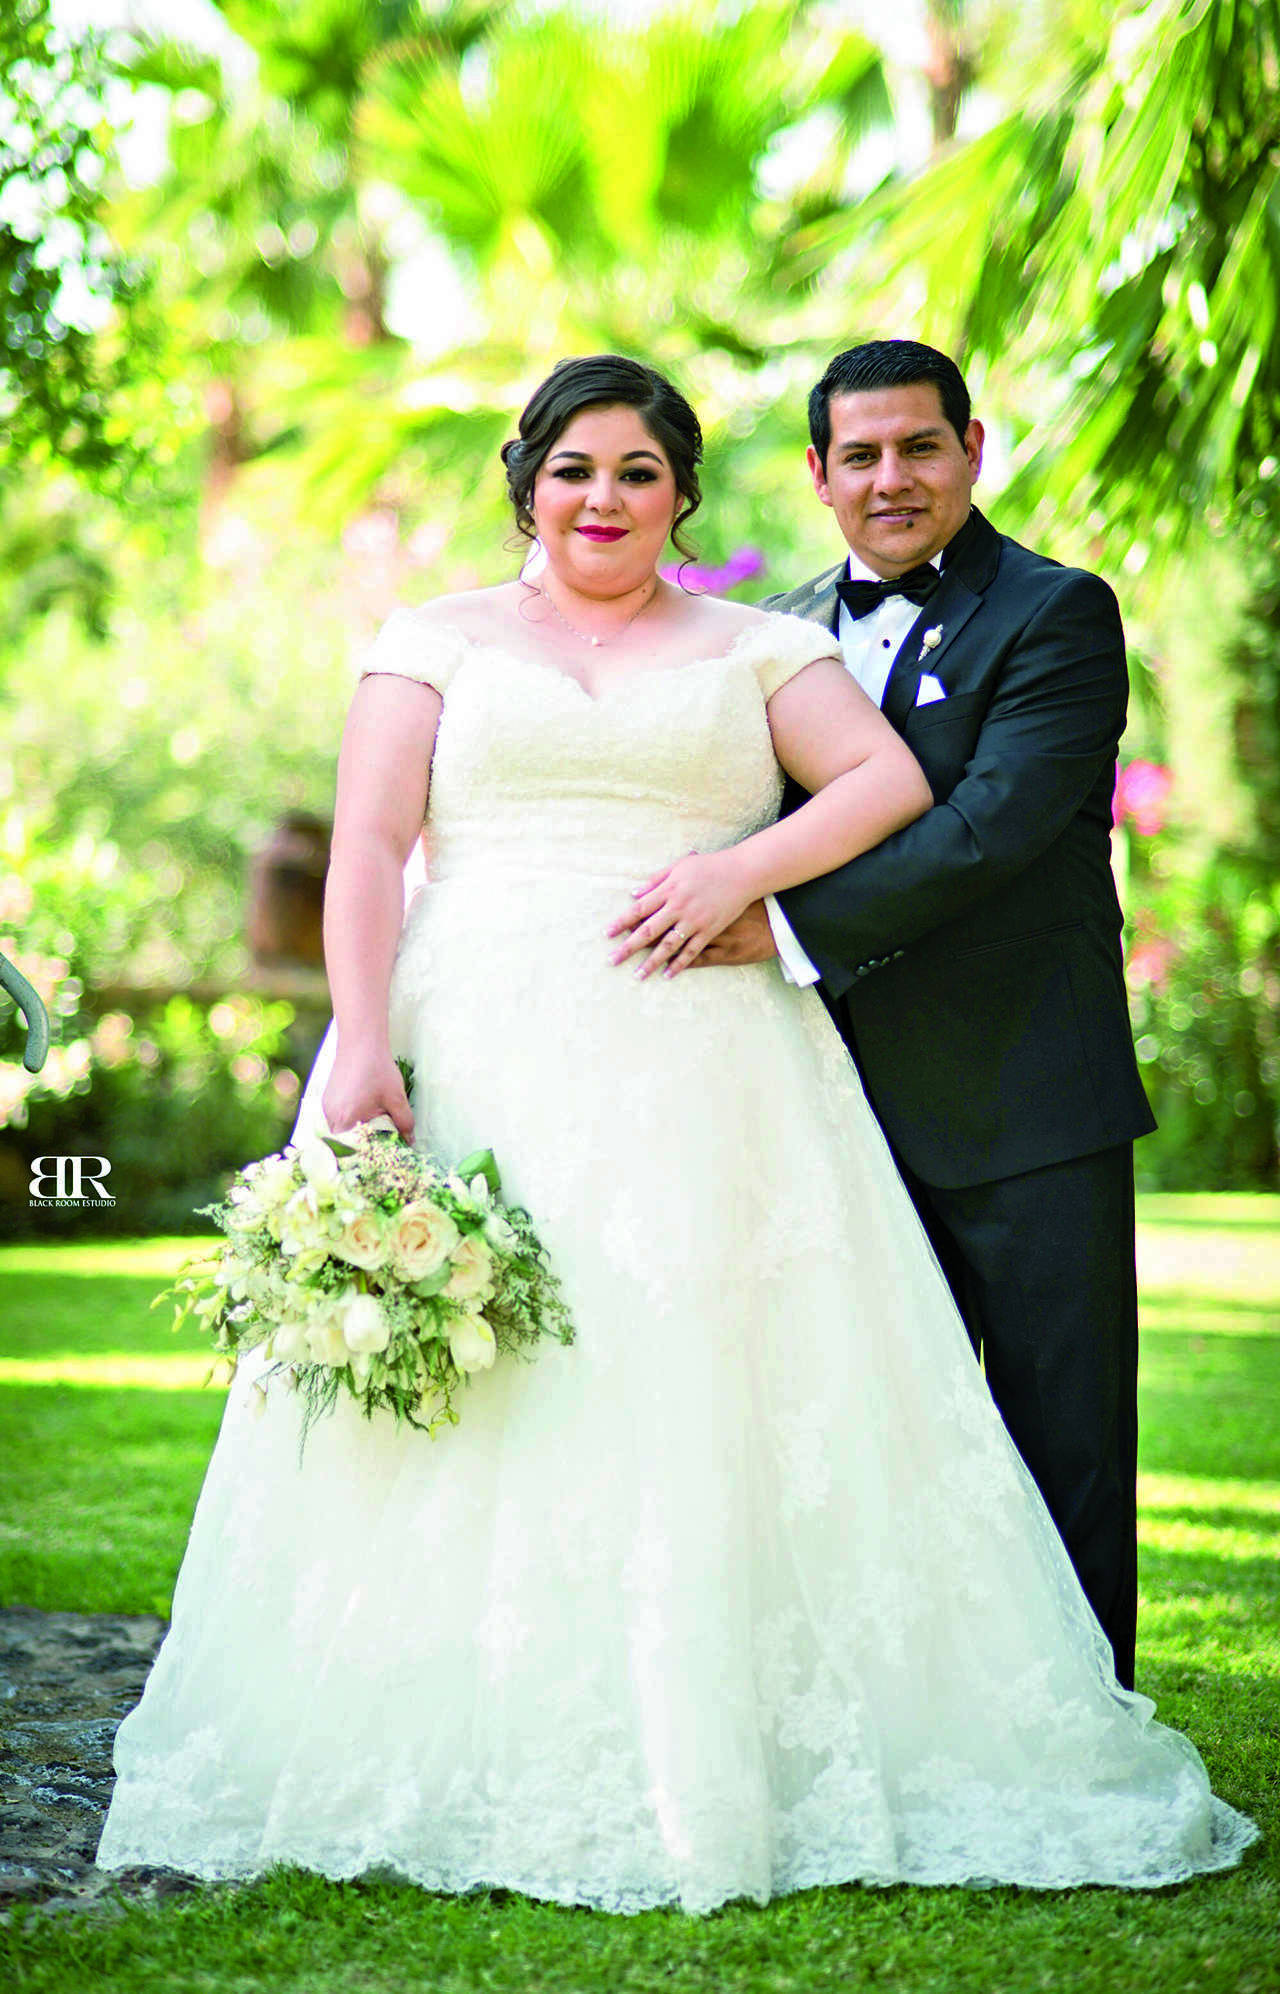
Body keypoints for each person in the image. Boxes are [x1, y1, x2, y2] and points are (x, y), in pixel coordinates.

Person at [97, 355, 1254, 1911]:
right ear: (527, 483)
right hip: (476, 1033)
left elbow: (900, 785)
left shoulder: (765, 644)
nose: (604, 498)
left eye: (638, 471)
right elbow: (369, 842)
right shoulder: (434, 639)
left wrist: (741, 878)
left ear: (683, 494)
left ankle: (823, 1712)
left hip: (714, 1052)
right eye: (574, 469)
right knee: (478, 1366)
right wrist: (359, 1038)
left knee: (704, 1368)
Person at [671, 339, 1155, 1694]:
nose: (893, 478)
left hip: (1028, 1098)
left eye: (920, 447)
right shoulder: (770, 638)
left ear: (972, 450)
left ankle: (1082, 1718)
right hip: (824, 1105)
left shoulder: (1058, 613)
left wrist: (778, 924)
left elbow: (990, 827)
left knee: (1062, 1435)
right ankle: (898, 1712)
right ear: (819, 474)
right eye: (862, 455)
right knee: (864, 1436)